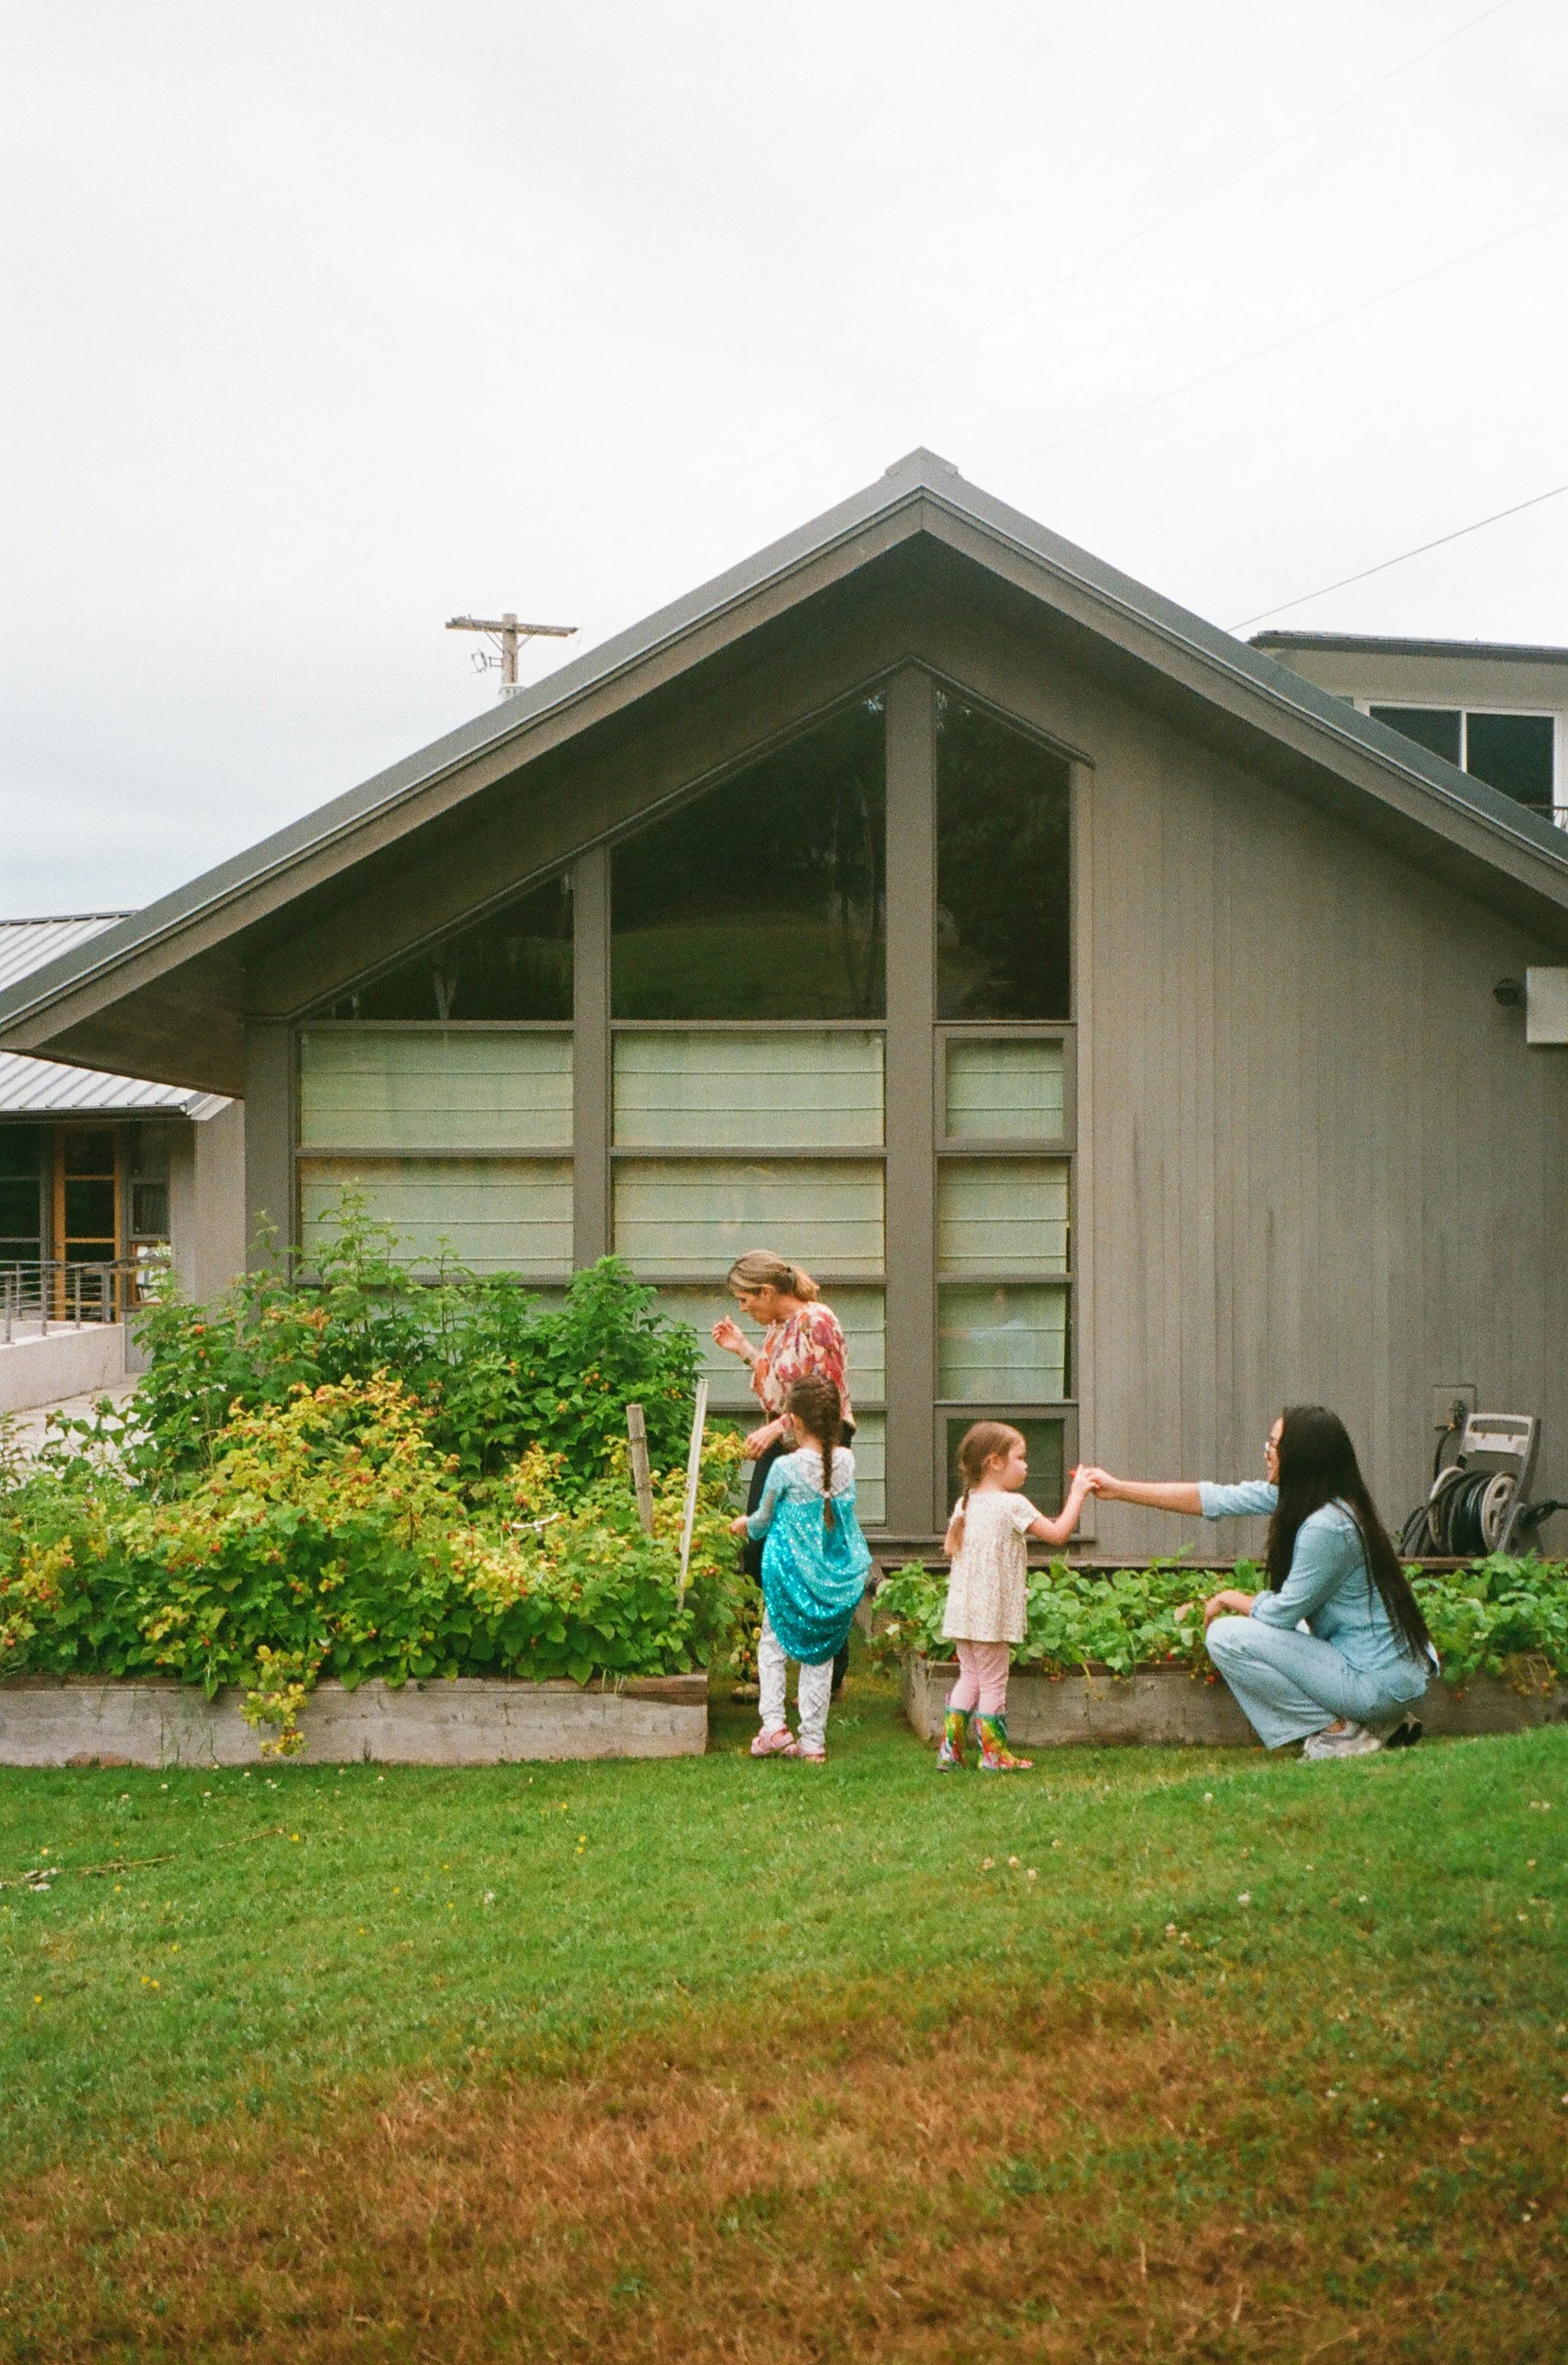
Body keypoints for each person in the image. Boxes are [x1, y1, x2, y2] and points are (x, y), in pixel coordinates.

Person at [1081, 1406, 1435, 1758]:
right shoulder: (1322, 1501)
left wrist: (1228, 1597)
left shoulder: (1327, 1526)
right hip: (1392, 1677)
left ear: (1302, 1456)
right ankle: (1386, 1724)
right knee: (1284, 1627)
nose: (1266, 1454)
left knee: (1226, 1636)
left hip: (1376, 1684)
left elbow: (1280, 1614)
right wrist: (1119, 1489)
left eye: (1274, 1445)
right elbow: (1215, 1498)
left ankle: (1341, 1733)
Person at [712, 1249, 856, 1690]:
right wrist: (743, 1349)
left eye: (745, 1299)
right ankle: (755, 1668)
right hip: (786, 1440)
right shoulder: (778, 1328)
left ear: (769, 1291)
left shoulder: (818, 1320)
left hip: (821, 1444)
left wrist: (776, 1430)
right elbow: (781, 1382)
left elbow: (824, 1393)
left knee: (815, 1551)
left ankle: (829, 1669)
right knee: (758, 1551)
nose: (743, 1308)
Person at [729, 1375, 870, 1763]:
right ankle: (813, 1742)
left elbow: (762, 1520)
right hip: (827, 1571)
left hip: (787, 1572)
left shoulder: (785, 1468)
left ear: (792, 1420)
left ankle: (773, 1727)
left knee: (773, 1645)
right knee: (819, 1654)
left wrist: (743, 1524)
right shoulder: (848, 1461)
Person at [938, 1422, 1093, 1773]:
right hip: (990, 1615)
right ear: (994, 1462)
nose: (1026, 1466)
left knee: (971, 1677)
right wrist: (1079, 1492)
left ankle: (951, 1752)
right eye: (1020, 1458)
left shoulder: (965, 1505)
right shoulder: (1012, 1504)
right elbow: (1058, 1533)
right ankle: (994, 1755)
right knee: (993, 1681)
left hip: (963, 1613)